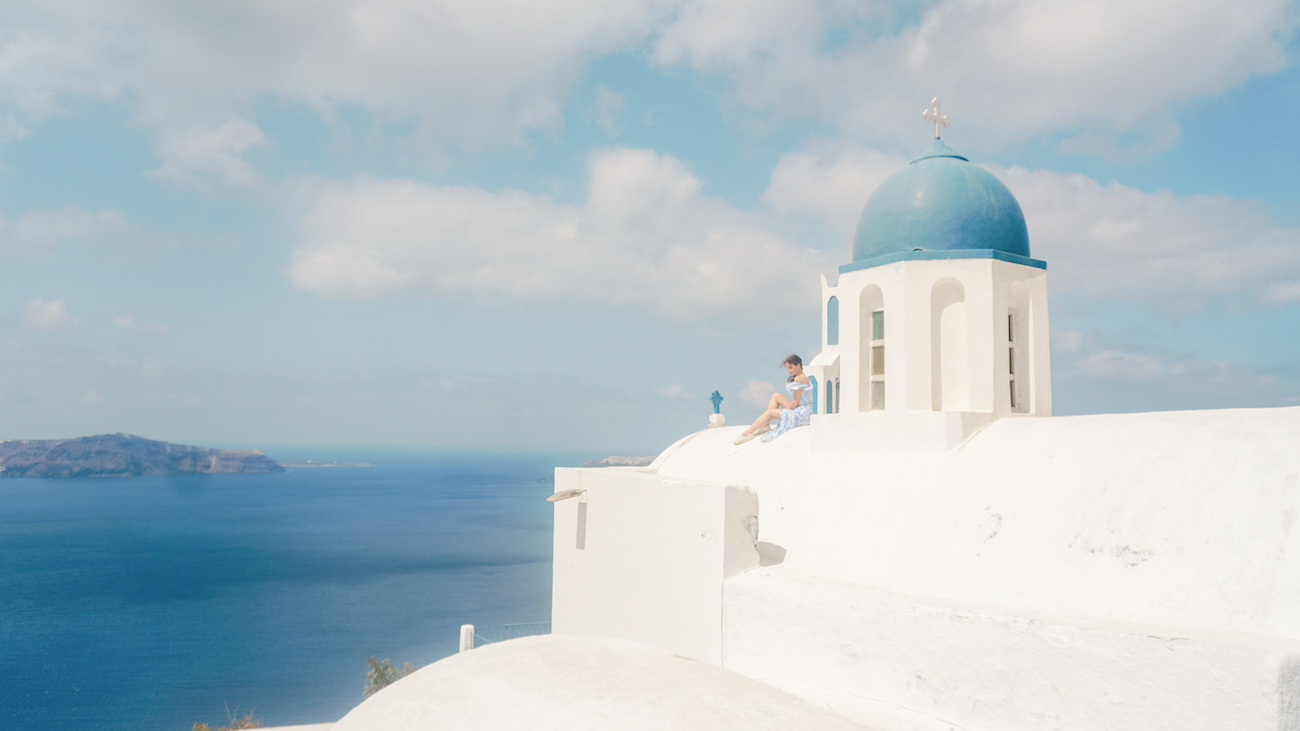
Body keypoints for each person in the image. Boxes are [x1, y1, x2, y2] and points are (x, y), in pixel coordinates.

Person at [734, 355, 813, 445]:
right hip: (804, 410)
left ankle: (746, 434)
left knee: (770, 413)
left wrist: (785, 412)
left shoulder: (798, 378)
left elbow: (796, 401)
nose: (789, 371)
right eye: (788, 368)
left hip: (801, 414)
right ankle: (765, 424)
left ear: (798, 365)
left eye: (790, 367)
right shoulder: (803, 377)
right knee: (776, 396)